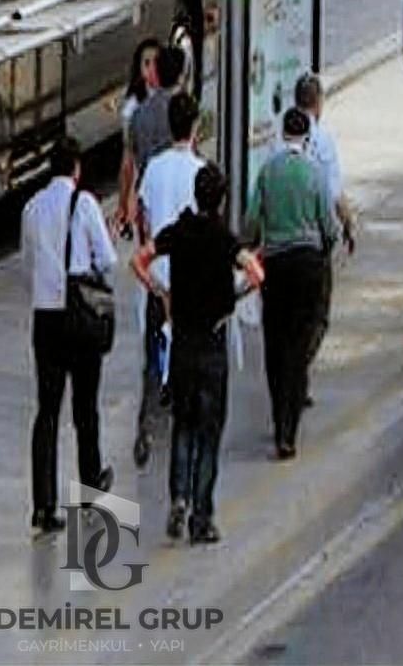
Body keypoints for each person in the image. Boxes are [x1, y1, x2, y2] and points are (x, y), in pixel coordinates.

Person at [134, 164, 262, 546]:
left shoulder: (179, 231)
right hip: (212, 343)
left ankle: (178, 497)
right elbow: (256, 273)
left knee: (183, 425)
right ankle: (202, 517)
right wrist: (233, 298)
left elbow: (138, 259)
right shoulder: (225, 239)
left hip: (183, 345)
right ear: (221, 199)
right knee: (210, 432)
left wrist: (162, 291)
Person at [20, 139, 116, 533]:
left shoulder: (31, 208)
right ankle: (91, 488)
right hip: (80, 317)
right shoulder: (86, 204)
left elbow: (27, 264)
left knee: (47, 410)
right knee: (85, 407)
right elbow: (108, 259)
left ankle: (43, 505)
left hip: (46, 317)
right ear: (76, 168)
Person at [244, 107, 340, 460]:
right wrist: (325, 249)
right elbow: (329, 225)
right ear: (307, 138)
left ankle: (278, 416)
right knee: (299, 345)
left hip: (277, 264)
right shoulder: (315, 172)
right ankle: (290, 431)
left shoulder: (268, 171)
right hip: (308, 265)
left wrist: (251, 244)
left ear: (283, 134)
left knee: (275, 342)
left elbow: (252, 219)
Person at [131, 90, 204, 469]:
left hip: (156, 278)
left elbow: (142, 219)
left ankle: (146, 420)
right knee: (186, 360)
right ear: (195, 127)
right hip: (187, 286)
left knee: (152, 355)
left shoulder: (155, 168)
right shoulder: (199, 173)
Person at [126, 45, 187, 466]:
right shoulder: (181, 120)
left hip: (152, 240)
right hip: (180, 245)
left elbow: (132, 171)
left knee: (153, 334)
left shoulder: (140, 117)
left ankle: (147, 414)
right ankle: (172, 395)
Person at [293, 74, 355, 390]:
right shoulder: (323, 141)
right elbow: (334, 193)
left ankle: (292, 367)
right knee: (317, 313)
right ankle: (299, 367)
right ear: (317, 103)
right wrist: (348, 225)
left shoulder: (282, 138)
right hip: (315, 242)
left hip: (282, 242)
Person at [115, 37, 160, 239]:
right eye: (146, 63)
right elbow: (127, 160)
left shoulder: (172, 97)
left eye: (156, 62)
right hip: (147, 187)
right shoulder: (132, 108)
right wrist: (123, 203)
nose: (151, 69)